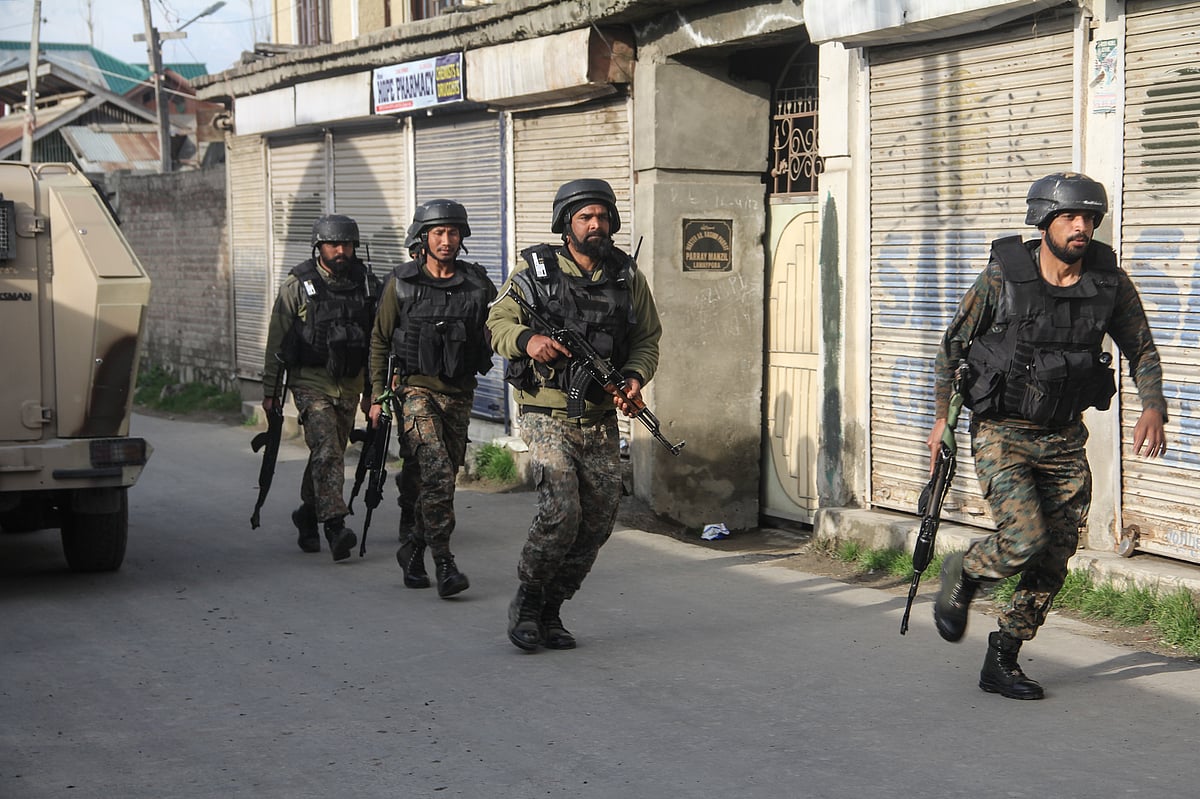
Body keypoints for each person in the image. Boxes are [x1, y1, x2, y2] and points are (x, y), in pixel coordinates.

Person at [928, 172, 1168, 699]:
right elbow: (952, 349)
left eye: (1089, 218)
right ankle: (966, 571)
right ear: (1045, 221)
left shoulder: (1109, 283)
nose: (1081, 227)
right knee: (1024, 539)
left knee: (1056, 552)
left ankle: (1003, 657)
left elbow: (1142, 349)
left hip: (1063, 436)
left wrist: (1154, 406)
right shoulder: (1002, 277)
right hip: (1002, 432)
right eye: (1070, 217)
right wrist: (941, 421)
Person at [487, 178, 662, 652]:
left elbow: (647, 339)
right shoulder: (536, 271)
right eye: (585, 217)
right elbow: (497, 321)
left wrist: (633, 377)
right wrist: (529, 341)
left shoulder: (626, 276)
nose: (596, 224)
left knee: (599, 519)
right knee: (562, 509)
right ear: (567, 223)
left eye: (603, 216)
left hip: (599, 414)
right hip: (545, 410)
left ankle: (552, 608)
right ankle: (527, 602)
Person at [368, 199, 496, 598]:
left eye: (453, 232)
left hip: (459, 392)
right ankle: (444, 562)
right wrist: (376, 395)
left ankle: (413, 544)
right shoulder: (401, 283)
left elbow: (497, 330)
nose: (446, 240)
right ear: (423, 239)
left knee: (437, 476)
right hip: (414, 391)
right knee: (437, 471)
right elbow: (379, 340)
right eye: (438, 233)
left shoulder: (477, 284)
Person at [263, 213, 381, 561]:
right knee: (328, 449)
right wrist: (270, 391)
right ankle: (334, 525)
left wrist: (373, 390)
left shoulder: (367, 284)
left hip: (350, 384)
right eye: (333, 244)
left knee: (327, 453)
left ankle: (305, 514)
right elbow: (276, 339)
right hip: (310, 382)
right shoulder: (298, 285)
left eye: (346, 244)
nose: (341, 250)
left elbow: (377, 341)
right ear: (319, 247)